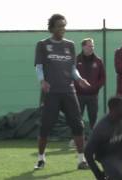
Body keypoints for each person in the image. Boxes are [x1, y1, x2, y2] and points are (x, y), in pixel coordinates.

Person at [34, 14, 91, 170]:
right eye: (59, 26)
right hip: (51, 93)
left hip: (68, 91)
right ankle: (40, 158)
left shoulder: (70, 45)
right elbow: (38, 66)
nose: (62, 29)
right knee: (45, 127)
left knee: (78, 126)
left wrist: (79, 79)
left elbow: (73, 68)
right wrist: (42, 81)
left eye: (64, 26)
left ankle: (81, 160)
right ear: (52, 28)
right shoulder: (43, 44)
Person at [75, 38, 105, 132]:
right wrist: (78, 86)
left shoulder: (98, 61)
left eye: (92, 46)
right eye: (89, 46)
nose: (92, 48)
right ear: (83, 47)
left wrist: (95, 88)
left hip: (93, 96)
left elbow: (103, 78)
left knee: (93, 118)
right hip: (79, 95)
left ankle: (93, 139)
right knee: (77, 118)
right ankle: (77, 138)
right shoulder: (76, 60)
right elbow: (71, 76)